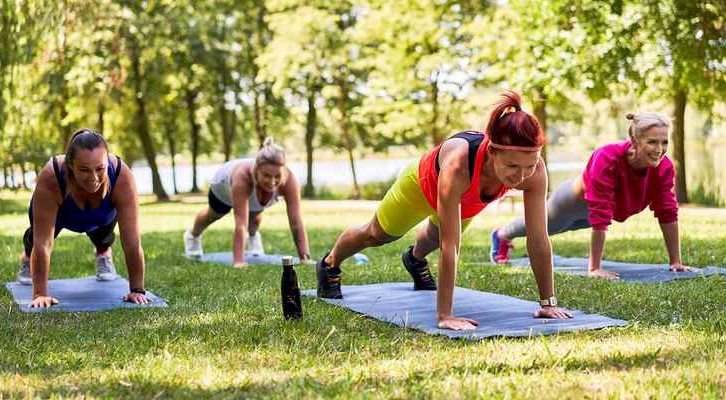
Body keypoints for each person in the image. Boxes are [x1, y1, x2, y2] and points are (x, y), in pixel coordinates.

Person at [315, 92, 573, 331]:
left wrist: (547, 302)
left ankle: (414, 260)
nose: (521, 176)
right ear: (492, 151)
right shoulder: (459, 164)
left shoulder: (534, 170)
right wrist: (445, 315)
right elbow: (452, 247)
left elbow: (538, 238)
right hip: (420, 185)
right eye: (512, 166)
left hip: (467, 198)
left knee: (432, 238)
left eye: (529, 166)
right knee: (377, 235)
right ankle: (329, 264)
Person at [490, 112, 698, 279]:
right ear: (634, 140)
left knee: (562, 228)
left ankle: (504, 235)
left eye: (664, 143)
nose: (659, 149)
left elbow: (667, 212)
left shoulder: (664, 168)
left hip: (595, 215)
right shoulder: (607, 157)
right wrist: (594, 268)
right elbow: (600, 210)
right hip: (570, 202)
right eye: (652, 142)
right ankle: (502, 235)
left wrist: (676, 262)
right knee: (548, 226)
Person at [17, 129, 151, 307]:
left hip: (101, 216)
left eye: (100, 169)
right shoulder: (53, 175)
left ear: (107, 161)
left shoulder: (121, 175)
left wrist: (137, 290)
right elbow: (43, 243)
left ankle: (103, 253)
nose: (94, 177)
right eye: (84, 170)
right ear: (70, 164)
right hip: (61, 214)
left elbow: (132, 241)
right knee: (34, 240)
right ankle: (27, 257)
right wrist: (40, 294)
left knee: (103, 238)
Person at [183, 137, 313, 268]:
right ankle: (193, 236)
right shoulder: (242, 177)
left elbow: (296, 221)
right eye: (266, 175)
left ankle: (253, 239)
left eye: (277, 176)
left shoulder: (289, 180)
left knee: (255, 218)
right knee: (213, 215)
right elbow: (241, 223)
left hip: (255, 191)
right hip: (223, 190)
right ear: (256, 170)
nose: (272, 181)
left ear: (283, 171)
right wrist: (239, 262)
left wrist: (304, 257)